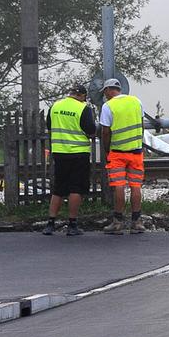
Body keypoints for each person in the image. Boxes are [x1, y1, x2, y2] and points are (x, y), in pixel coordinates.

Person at [43, 84, 97, 236]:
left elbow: (49, 126)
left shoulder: (55, 106)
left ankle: (50, 223)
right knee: (76, 189)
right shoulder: (83, 108)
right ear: (82, 96)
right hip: (79, 153)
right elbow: (91, 130)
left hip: (59, 152)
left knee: (59, 189)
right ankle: (72, 224)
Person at [99, 79, 146, 234]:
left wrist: (106, 150)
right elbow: (141, 124)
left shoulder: (108, 106)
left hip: (118, 153)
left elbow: (105, 132)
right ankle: (136, 222)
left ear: (107, 91)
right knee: (135, 186)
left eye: (104, 93)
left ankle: (118, 222)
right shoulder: (136, 102)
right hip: (136, 153)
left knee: (119, 186)